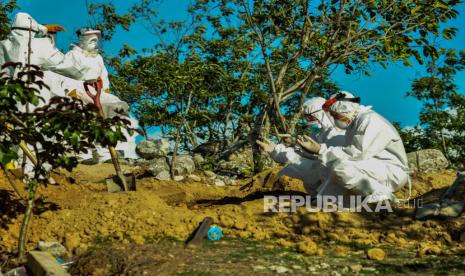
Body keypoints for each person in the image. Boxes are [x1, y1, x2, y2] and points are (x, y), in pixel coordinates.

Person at [297, 91, 409, 203]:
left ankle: (382, 195)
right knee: (332, 166)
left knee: (341, 167)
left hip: (392, 172)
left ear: (344, 110)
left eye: (335, 115)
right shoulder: (355, 123)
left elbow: (355, 154)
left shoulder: (370, 120)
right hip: (376, 168)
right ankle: (332, 199)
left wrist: (321, 150)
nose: (334, 119)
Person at [65, 27, 139, 160]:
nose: (94, 43)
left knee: (118, 105)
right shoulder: (73, 55)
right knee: (83, 117)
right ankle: (85, 152)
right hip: (80, 89)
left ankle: (106, 147)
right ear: (83, 40)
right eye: (91, 40)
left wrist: (104, 90)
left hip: (97, 91)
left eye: (95, 40)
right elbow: (66, 74)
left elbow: (103, 75)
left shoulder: (97, 57)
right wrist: (71, 92)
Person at [256, 97, 345, 192]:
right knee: (304, 167)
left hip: (345, 184)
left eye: (311, 117)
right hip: (330, 188)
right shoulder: (318, 134)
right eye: (306, 118)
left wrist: (320, 151)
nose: (309, 121)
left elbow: (338, 161)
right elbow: (302, 157)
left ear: (322, 114)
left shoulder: (340, 133)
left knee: (318, 168)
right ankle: (322, 197)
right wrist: (277, 150)